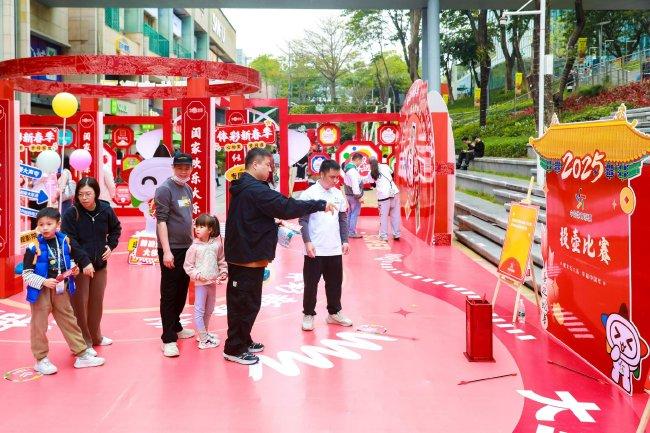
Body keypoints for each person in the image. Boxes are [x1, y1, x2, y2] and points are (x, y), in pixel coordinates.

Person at [224, 148, 337, 365]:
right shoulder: (255, 190)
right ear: (255, 164)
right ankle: (234, 348)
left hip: (250, 253)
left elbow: (258, 214)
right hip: (245, 256)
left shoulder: (249, 188)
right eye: (268, 165)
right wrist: (319, 204)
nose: (270, 170)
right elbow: (286, 206)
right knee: (243, 304)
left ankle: (243, 340)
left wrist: (271, 222)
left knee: (249, 302)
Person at [21, 207, 105, 375]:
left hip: (61, 289)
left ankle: (81, 353)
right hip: (40, 292)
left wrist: (73, 269)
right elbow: (26, 274)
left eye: (49, 224)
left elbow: (68, 260)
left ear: (58, 224)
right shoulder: (33, 246)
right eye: (41, 224)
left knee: (69, 320)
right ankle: (41, 359)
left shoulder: (64, 241)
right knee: (39, 325)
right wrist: (44, 281)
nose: (45, 228)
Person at [61, 177, 122, 348]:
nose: (84, 198)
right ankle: (83, 343)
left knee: (96, 303)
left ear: (96, 193)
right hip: (79, 267)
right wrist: (85, 262)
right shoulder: (71, 213)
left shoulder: (105, 209)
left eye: (88, 194)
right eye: (80, 194)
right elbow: (70, 240)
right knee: (79, 305)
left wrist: (110, 245)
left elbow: (116, 228)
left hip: (100, 265)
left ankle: (96, 337)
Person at [298, 159, 352, 332]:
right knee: (311, 285)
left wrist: (345, 240)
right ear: (321, 174)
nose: (335, 181)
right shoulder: (309, 194)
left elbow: (342, 218)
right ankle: (308, 314)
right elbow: (303, 220)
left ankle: (334, 313)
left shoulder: (338, 194)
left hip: (334, 248)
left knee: (335, 284)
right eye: (332, 177)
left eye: (337, 177)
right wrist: (307, 242)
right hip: (315, 249)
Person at [155, 152, 196, 358]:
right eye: (179, 168)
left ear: (191, 169)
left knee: (182, 290)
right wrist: (167, 251)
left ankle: (177, 326)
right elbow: (161, 221)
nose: (183, 171)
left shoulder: (187, 188)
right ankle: (168, 338)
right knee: (170, 293)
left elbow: (188, 218)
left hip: (187, 247)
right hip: (171, 249)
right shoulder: (164, 189)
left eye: (187, 168)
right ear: (173, 168)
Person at [183, 213, 227, 350]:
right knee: (199, 311)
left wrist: (223, 272)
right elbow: (188, 266)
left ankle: (204, 333)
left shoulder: (217, 245)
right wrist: (197, 275)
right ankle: (203, 340)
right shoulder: (194, 247)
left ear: (210, 230)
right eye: (197, 226)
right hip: (200, 285)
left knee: (209, 310)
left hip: (212, 283)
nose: (197, 229)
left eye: (202, 226)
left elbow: (221, 261)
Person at [369, 157, 401, 241]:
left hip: (383, 196)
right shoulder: (385, 166)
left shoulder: (371, 172)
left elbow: (372, 184)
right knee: (395, 215)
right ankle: (397, 234)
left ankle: (384, 236)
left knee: (383, 217)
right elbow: (392, 174)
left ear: (370, 164)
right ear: (377, 161)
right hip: (394, 192)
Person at [343, 152, 364, 238]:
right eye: (361, 161)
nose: (361, 163)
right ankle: (351, 232)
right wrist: (359, 197)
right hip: (353, 195)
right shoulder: (352, 171)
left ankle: (348, 230)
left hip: (349, 194)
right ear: (357, 160)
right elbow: (355, 184)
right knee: (354, 213)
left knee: (350, 213)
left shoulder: (348, 168)